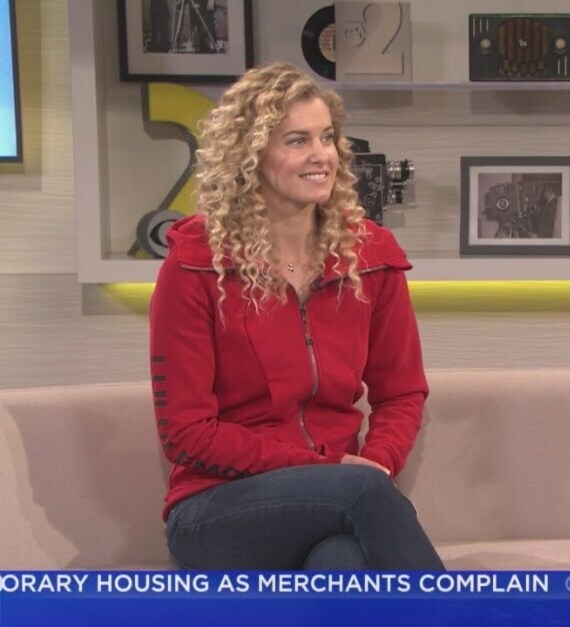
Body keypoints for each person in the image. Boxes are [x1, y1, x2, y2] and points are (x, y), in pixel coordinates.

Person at [148, 62, 445, 571]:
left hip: (341, 496)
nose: (321, 156)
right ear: (250, 157)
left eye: (327, 138)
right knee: (361, 496)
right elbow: (187, 432)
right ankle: (463, 611)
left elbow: (401, 392)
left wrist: (376, 462)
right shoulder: (197, 265)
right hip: (218, 508)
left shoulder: (370, 257)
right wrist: (334, 471)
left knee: (342, 561)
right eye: (297, 141)